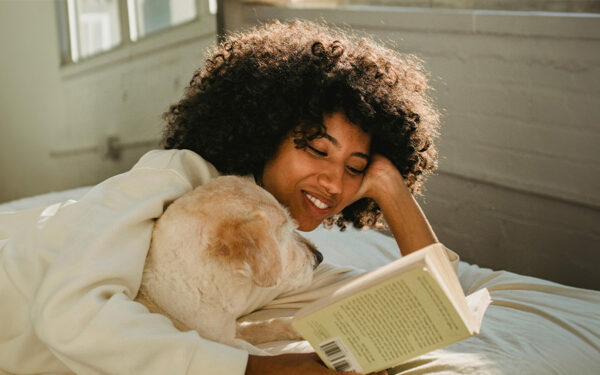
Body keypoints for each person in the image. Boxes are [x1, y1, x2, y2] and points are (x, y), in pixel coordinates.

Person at [0, 20, 443, 375]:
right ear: (267, 131)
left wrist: (390, 186)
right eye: (316, 148)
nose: (333, 182)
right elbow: (71, 317)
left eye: (354, 167)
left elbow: (432, 302)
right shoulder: (176, 178)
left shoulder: (288, 260)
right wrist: (264, 369)